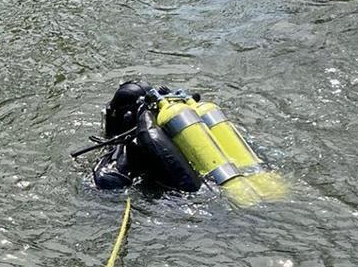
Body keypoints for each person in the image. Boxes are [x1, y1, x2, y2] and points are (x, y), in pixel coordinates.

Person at [75, 81, 284, 205]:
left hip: (198, 205)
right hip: (237, 182)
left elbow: (105, 184)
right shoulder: (174, 128)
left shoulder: (126, 153)